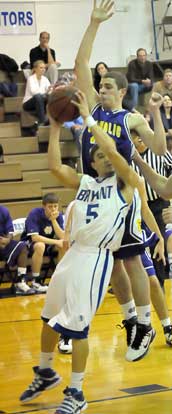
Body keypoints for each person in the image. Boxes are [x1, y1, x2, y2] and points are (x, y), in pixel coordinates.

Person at [19, 91, 148, 411]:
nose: (105, 157)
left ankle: (76, 393)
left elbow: (115, 153)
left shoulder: (125, 183)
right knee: (49, 319)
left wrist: (91, 120)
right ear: (91, 161)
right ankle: (46, 371)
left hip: (96, 258)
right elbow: (54, 167)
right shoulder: (85, 184)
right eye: (99, 156)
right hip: (74, 255)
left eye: (109, 155)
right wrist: (54, 127)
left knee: (77, 328)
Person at [74, 0, 166, 361]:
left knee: (130, 259)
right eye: (100, 84)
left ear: (122, 91)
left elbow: (158, 145)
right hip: (94, 196)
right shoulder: (91, 111)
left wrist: (156, 114)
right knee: (110, 261)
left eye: (108, 85)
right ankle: (131, 319)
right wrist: (94, 23)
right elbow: (81, 63)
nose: (102, 88)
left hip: (122, 195)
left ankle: (145, 321)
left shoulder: (129, 119)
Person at [131, 130, 172, 288]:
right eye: (135, 137)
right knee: (135, 242)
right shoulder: (127, 155)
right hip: (136, 206)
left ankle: (159, 281)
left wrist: (168, 196)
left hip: (157, 204)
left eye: (141, 136)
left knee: (158, 242)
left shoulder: (160, 153)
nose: (139, 139)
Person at [21, 193, 65, 294]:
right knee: (40, 245)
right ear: (44, 206)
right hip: (30, 243)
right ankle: (36, 281)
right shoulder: (35, 213)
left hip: (48, 242)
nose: (53, 209)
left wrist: (54, 220)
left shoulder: (58, 215)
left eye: (55, 206)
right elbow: (35, 237)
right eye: (50, 207)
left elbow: (62, 236)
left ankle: (59, 279)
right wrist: (56, 241)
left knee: (64, 244)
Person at [0, 206, 35, 295]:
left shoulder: (3, 210)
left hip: (4, 242)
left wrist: (7, 240)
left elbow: (10, 231)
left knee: (22, 247)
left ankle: (20, 282)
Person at [23, 60, 50, 126]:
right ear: (35, 69)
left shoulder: (45, 79)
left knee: (51, 96)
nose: (43, 69)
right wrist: (45, 94)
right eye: (41, 68)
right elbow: (34, 92)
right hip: (28, 103)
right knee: (38, 96)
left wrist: (48, 92)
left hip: (41, 100)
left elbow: (50, 90)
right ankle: (42, 121)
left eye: (44, 68)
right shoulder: (30, 79)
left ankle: (52, 120)